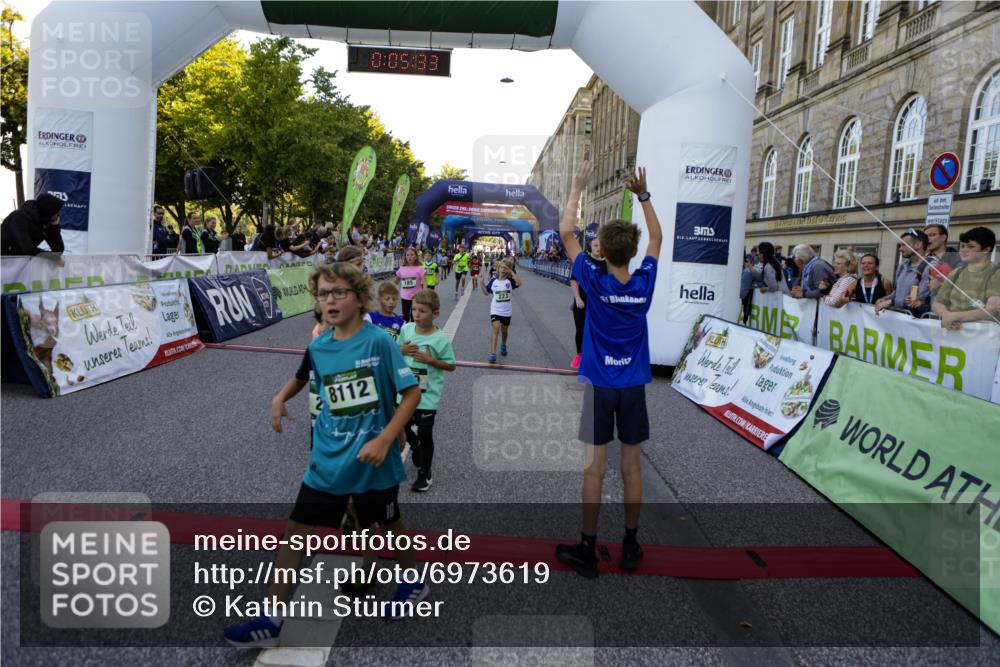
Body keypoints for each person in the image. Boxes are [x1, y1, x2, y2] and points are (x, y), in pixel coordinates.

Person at [222, 263, 426, 648]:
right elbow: (302, 375)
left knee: (388, 526)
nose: (329, 300)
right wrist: (280, 398)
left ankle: (414, 578)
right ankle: (271, 618)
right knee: (295, 533)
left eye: (339, 293)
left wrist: (386, 438)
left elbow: (411, 393)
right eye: (323, 294)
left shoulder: (379, 342)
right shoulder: (318, 346)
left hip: (372, 462)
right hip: (328, 459)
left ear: (361, 299)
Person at [556, 162, 661, 578]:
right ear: (631, 252)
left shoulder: (593, 279)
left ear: (602, 247)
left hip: (601, 384)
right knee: (632, 468)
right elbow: (657, 237)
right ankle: (631, 545)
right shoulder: (643, 282)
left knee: (594, 469)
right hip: (633, 384)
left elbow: (566, 233)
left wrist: (578, 188)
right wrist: (643, 195)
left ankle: (587, 548)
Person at [397, 289, 456, 492]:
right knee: (401, 428)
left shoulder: (440, 339)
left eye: (422, 310)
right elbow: (396, 351)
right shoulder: (407, 330)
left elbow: (451, 365)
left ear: (435, 314)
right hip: (405, 391)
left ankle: (425, 472)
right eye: (414, 309)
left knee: (425, 432)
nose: (416, 314)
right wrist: (401, 350)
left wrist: (431, 360)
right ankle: (415, 445)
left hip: (426, 396)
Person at [931, 226, 1000, 329]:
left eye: (970, 246)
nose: (964, 250)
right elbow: (938, 303)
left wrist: (955, 316)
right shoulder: (956, 273)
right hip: (952, 329)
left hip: (981, 335)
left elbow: (991, 311)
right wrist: (946, 315)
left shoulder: (996, 273)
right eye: (962, 246)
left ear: (986, 249)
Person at [875, 229, 931, 317]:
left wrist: (891, 302)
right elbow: (897, 293)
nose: (900, 249)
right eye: (900, 245)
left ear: (918, 244)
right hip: (900, 320)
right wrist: (885, 299)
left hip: (916, 322)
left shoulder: (930, 267)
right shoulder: (902, 267)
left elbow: (919, 299)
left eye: (904, 245)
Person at [570, 237, 604, 369]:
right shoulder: (584, 262)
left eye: (600, 246)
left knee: (598, 331)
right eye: (595, 245)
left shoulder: (608, 264)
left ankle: (595, 358)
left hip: (599, 305)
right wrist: (578, 298)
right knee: (581, 330)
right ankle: (579, 355)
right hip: (582, 303)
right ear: (590, 247)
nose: (598, 248)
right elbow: (574, 281)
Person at [481, 258, 522, 363]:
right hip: (495, 310)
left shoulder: (510, 281)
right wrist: (481, 283)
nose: (503, 269)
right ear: (498, 268)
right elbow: (486, 293)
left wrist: (512, 271)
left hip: (506, 311)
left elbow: (519, 283)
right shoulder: (493, 281)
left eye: (506, 268)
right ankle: (493, 353)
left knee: (504, 331)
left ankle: (503, 344)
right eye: (502, 267)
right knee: (496, 329)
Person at [1, 193, 65, 256]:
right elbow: (28, 249)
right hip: (4, 259)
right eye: (57, 212)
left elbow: (58, 251)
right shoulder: (19, 219)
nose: (59, 214)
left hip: (18, 261)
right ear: (48, 212)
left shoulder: (44, 221)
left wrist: (54, 227)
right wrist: (52, 257)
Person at [395, 246, 425, 322]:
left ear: (416, 257)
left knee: (414, 317)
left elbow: (425, 283)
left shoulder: (420, 268)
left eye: (412, 255)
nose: (410, 257)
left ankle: (414, 332)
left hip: (416, 297)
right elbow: (396, 281)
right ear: (405, 257)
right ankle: (406, 332)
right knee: (405, 317)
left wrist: (425, 294)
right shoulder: (402, 268)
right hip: (405, 297)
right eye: (407, 255)